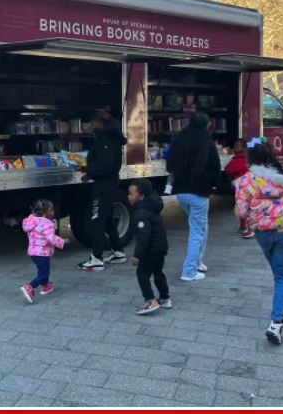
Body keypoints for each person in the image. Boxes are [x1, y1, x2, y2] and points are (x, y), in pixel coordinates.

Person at [235, 140, 283, 345]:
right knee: (281, 275)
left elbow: (242, 211)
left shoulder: (246, 180)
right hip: (282, 230)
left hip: (262, 232)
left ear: (251, 158)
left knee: (279, 273)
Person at [166, 112, 221, 281]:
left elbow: (170, 165)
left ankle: (197, 262)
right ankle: (189, 270)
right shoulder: (207, 143)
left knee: (201, 226)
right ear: (207, 125)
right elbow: (215, 167)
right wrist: (213, 185)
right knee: (197, 231)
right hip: (199, 193)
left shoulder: (180, 140)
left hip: (182, 192)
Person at [78, 111, 128, 271]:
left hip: (104, 184)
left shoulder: (105, 140)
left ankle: (97, 257)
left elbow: (106, 166)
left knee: (96, 218)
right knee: (106, 217)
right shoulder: (109, 137)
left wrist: (87, 170)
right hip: (108, 182)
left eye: (93, 121)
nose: (91, 124)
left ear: (100, 123)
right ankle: (118, 251)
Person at [128, 178, 171, 314]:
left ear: (141, 197)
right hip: (160, 248)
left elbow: (143, 237)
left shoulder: (141, 212)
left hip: (150, 250)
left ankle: (150, 300)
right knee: (158, 272)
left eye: (131, 194)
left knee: (142, 273)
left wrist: (137, 255)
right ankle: (165, 298)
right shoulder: (152, 206)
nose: (128, 197)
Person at [20, 198, 69, 302]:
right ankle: (29, 286)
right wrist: (62, 241)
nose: (53, 212)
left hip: (33, 253)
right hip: (43, 253)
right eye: (51, 210)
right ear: (46, 211)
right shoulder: (47, 223)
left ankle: (45, 286)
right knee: (44, 273)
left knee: (42, 270)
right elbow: (50, 238)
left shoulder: (31, 221)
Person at [224, 138, 254, 238]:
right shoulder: (247, 158)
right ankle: (246, 226)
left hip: (242, 188)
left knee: (242, 207)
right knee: (247, 206)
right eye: (234, 146)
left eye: (237, 146)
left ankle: (247, 227)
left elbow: (228, 169)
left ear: (243, 148)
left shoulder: (239, 159)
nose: (235, 148)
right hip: (249, 186)